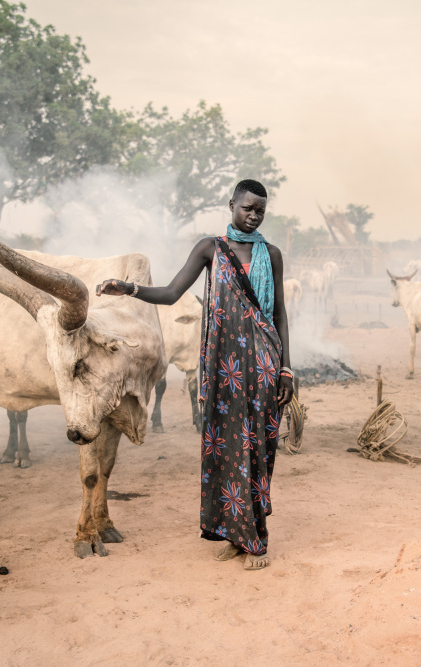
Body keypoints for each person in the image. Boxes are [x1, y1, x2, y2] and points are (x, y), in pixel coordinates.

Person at [96, 179, 294, 570]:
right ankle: (236, 536)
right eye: (247, 208)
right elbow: (171, 293)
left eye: (260, 211)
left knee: (255, 450)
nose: (253, 215)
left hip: (264, 367)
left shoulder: (271, 254)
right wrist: (129, 288)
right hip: (224, 370)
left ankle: (254, 540)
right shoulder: (211, 249)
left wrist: (286, 368)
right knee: (226, 450)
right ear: (232, 204)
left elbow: (279, 313)